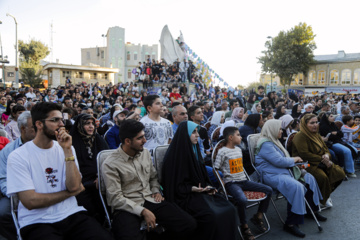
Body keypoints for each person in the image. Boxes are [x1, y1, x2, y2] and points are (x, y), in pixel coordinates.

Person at [6, 102, 113, 240]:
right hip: (37, 221)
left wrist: (67, 150)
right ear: (39, 124)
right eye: (55, 120)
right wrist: (69, 193)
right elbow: (30, 201)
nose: (61, 124)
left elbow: (74, 186)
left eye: (62, 119)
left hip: (71, 214)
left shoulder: (67, 148)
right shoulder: (18, 156)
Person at [102, 119, 196, 240]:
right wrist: (143, 211)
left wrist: (156, 190)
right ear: (127, 141)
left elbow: (153, 177)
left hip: (150, 199)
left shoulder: (144, 153)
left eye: (144, 136)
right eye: (140, 138)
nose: (145, 141)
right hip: (126, 207)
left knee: (188, 224)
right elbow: (115, 198)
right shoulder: (110, 164)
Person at [161, 121, 241, 240]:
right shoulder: (174, 157)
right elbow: (172, 186)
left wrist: (208, 187)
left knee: (229, 208)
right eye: (194, 132)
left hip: (200, 193)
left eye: (197, 131)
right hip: (184, 196)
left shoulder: (195, 151)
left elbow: (202, 177)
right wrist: (192, 188)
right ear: (185, 134)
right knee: (212, 216)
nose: (197, 135)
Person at [255, 119, 326, 238]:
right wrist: (295, 160)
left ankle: (311, 211)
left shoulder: (273, 141)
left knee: (309, 178)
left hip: (282, 170)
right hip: (271, 174)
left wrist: (295, 163)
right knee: (296, 186)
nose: (282, 131)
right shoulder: (266, 144)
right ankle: (291, 223)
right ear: (272, 130)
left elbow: (282, 161)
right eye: (279, 128)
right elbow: (279, 161)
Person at [214, 127, 272, 240]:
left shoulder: (238, 149)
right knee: (242, 199)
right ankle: (244, 226)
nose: (241, 137)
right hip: (232, 183)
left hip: (244, 181)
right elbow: (215, 168)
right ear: (231, 137)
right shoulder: (222, 151)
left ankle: (258, 216)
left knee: (268, 190)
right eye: (238, 135)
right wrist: (223, 184)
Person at [292, 114, 345, 208]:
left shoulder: (316, 134)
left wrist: (327, 156)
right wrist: (323, 159)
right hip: (305, 164)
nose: (315, 125)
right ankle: (321, 199)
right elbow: (304, 154)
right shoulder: (300, 136)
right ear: (304, 124)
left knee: (340, 173)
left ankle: (325, 194)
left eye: (316, 122)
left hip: (321, 162)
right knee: (322, 177)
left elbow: (326, 149)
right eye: (312, 123)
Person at [0, 111, 35, 240]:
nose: (38, 129)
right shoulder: (8, 151)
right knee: (3, 213)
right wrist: (17, 195)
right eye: (33, 127)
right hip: (15, 192)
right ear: (22, 129)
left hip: (42, 190)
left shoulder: (47, 146)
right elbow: (3, 178)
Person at [70, 114, 109, 223]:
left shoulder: (98, 139)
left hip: (98, 180)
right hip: (81, 182)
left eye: (92, 123)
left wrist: (100, 176)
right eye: (87, 124)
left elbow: (107, 159)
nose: (91, 126)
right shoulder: (72, 141)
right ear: (79, 126)